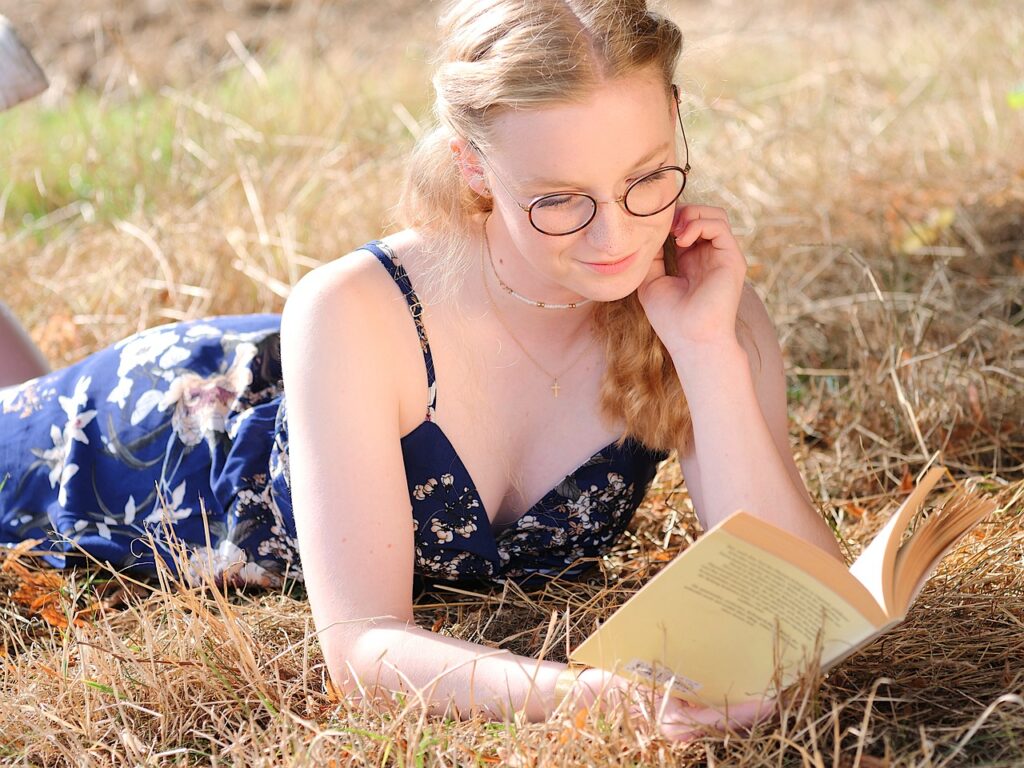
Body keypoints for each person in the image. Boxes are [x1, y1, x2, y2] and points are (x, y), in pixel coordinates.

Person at [0, 0, 844, 740]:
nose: (615, 237)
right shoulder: (354, 308)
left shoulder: (700, 298)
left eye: (647, 178)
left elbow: (803, 605)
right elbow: (362, 648)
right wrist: (588, 698)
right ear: (474, 167)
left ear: (676, 116)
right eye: (558, 199)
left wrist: (705, 355)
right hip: (152, 439)